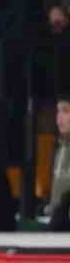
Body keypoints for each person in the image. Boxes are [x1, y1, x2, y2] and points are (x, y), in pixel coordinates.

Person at [47, 95, 70, 231]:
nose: (59, 117)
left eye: (65, 111)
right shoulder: (58, 148)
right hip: (56, 226)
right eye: (58, 111)